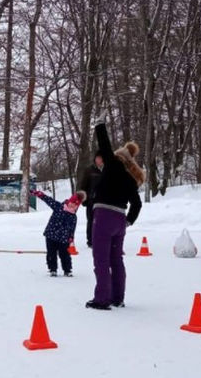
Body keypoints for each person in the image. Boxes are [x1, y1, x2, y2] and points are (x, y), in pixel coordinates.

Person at [87, 121, 144, 310]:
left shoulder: (112, 166)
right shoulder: (130, 179)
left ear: (117, 158)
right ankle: (118, 297)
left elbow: (105, 144)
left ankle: (102, 299)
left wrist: (99, 126)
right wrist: (128, 221)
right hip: (120, 221)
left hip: (103, 217)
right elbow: (137, 203)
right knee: (116, 259)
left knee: (101, 259)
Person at [31, 189, 86, 277]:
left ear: (77, 206)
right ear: (69, 201)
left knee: (65, 255)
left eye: (75, 205)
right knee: (51, 253)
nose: (73, 206)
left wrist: (71, 240)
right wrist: (39, 194)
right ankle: (53, 269)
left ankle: (67, 270)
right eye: (72, 203)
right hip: (51, 235)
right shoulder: (59, 206)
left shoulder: (73, 217)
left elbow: (72, 230)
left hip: (64, 239)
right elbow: (48, 200)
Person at [78, 153, 104, 247]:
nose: (100, 160)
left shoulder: (107, 170)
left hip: (103, 202)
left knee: (102, 221)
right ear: (95, 159)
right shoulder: (89, 170)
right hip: (91, 200)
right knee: (92, 221)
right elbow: (83, 185)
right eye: (98, 158)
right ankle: (91, 241)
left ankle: (101, 239)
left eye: (102, 158)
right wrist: (83, 199)